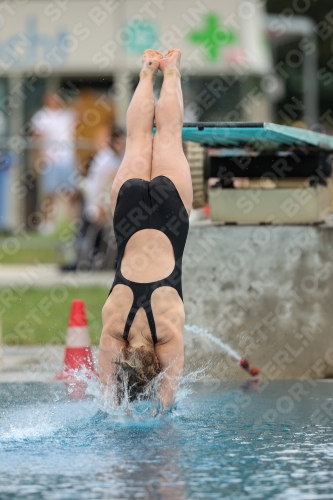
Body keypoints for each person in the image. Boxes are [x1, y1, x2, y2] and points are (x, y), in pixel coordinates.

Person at [98, 49, 193, 412]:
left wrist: (159, 403)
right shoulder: (113, 329)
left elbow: (167, 400)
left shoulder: (166, 332)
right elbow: (107, 396)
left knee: (168, 134)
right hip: (129, 212)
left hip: (171, 213)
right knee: (139, 137)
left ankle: (169, 71)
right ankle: (147, 71)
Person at [31, 92, 77, 234]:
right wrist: (41, 157)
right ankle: (47, 223)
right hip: (51, 160)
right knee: (50, 193)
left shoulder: (68, 115)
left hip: (68, 158)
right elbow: (36, 138)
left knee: (71, 192)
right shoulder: (41, 116)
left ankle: (71, 222)